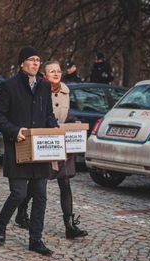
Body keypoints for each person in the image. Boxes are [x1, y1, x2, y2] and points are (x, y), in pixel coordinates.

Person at [0, 47, 59, 256]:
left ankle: (35, 240)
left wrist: (54, 128)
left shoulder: (44, 86)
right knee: (19, 194)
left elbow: (48, 114)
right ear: (22, 63)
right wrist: (14, 131)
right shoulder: (9, 86)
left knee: (40, 196)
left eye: (38, 59)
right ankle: (1, 226)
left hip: (39, 151)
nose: (36, 63)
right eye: (32, 59)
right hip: (18, 147)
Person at [14, 61, 88, 239]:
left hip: (63, 141)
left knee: (65, 182)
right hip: (45, 142)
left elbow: (63, 113)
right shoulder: (38, 90)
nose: (56, 74)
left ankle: (69, 225)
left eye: (58, 71)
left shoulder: (65, 91)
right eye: (52, 71)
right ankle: (22, 211)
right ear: (44, 75)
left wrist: (72, 122)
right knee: (39, 184)